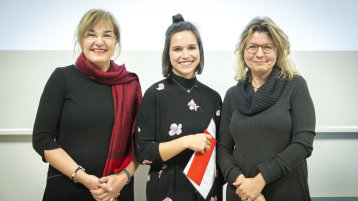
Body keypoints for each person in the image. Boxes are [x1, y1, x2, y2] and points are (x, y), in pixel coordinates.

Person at [32, 9, 142, 201]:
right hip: (68, 188)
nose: (99, 42)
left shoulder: (129, 84)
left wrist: (123, 177)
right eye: (91, 34)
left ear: (116, 41)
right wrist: (84, 178)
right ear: (81, 40)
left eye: (107, 35)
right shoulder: (62, 78)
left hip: (116, 192)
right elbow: (42, 139)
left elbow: (140, 143)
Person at [217, 16, 315, 201]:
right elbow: (223, 148)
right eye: (252, 47)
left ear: (278, 51)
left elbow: (303, 142)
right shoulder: (232, 94)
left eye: (267, 47)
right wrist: (243, 184)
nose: (259, 54)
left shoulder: (295, 85)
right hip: (242, 192)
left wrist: (259, 181)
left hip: (287, 191)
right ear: (243, 52)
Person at [134, 14, 223, 201]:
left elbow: (221, 151)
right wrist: (185, 141)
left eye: (191, 47)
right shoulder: (155, 94)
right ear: (168, 53)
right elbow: (143, 153)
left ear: (200, 51)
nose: (185, 55)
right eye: (177, 49)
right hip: (167, 191)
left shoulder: (213, 98)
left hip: (207, 193)